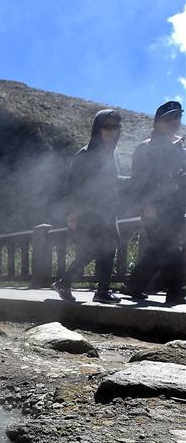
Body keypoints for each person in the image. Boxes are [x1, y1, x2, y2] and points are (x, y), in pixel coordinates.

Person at [52, 109, 124, 304]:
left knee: (107, 246)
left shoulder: (114, 153)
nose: (112, 131)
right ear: (97, 128)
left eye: (116, 127)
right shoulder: (85, 155)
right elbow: (72, 185)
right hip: (89, 210)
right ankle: (77, 286)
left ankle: (96, 290)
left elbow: (113, 180)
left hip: (108, 209)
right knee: (94, 249)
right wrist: (72, 213)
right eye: (107, 126)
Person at [125, 100, 186, 306]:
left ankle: (134, 285)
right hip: (155, 207)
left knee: (159, 248)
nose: (174, 121)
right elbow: (138, 181)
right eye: (168, 118)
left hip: (176, 207)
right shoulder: (147, 147)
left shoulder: (179, 147)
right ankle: (176, 291)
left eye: (177, 117)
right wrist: (145, 204)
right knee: (170, 246)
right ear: (157, 122)